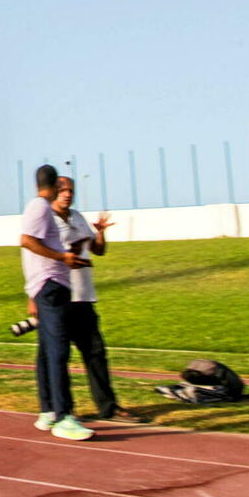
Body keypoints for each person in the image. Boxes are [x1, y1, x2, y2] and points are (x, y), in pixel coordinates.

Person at [34, 176, 147, 423]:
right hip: (56, 297)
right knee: (54, 355)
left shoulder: (76, 217)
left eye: (71, 190)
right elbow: (33, 256)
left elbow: (98, 250)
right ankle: (59, 409)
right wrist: (32, 298)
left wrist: (100, 233)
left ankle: (108, 407)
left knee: (95, 352)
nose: (67, 194)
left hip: (83, 297)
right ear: (53, 190)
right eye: (62, 189)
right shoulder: (45, 219)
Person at [19, 164, 94, 441]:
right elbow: (27, 242)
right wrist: (62, 258)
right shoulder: (40, 208)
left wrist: (67, 256)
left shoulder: (37, 207)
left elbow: (34, 246)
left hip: (48, 286)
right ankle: (64, 417)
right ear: (54, 186)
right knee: (58, 350)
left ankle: (48, 410)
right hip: (51, 287)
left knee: (47, 350)